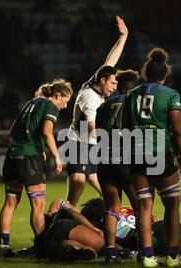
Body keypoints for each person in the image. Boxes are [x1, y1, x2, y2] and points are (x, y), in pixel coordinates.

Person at [122, 48, 181, 268]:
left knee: (144, 205)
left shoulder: (131, 95)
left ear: (145, 73)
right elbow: (178, 131)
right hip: (160, 151)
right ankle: (171, 256)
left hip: (136, 152)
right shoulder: (170, 95)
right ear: (164, 75)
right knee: (172, 205)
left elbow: (125, 127)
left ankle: (148, 256)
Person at [0, 79, 72, 258]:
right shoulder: (50, 106)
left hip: (12, 155)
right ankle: (41, 247)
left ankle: (3, 246)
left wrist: (38, 148)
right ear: (57, 95)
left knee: (10, 202)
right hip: (29, 157)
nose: (65, 106)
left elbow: (14, 131)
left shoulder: (31, 103)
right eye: (65, 100)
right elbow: (47, 132)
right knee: (38, 205)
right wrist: (57, 156)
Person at [64, 15, 129, 206]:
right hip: (80, 144)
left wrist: (123, 36)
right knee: (78, 185)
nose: (115, 87)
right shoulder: (90, 98)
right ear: (103, 81)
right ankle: (61, 219)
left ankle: (106, 217)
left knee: (105, 190)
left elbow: (110, 60)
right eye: (113, 82)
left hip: (90, 145)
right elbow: (92, 126)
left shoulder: (95, 84)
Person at [96, 69, 140, 264]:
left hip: (104, 159)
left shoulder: (103, 106)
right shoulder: (135, 104)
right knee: (141, 206)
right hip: (125, 158)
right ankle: (144, 250)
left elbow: (97, 133)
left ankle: (111, 252)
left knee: (112, 208)